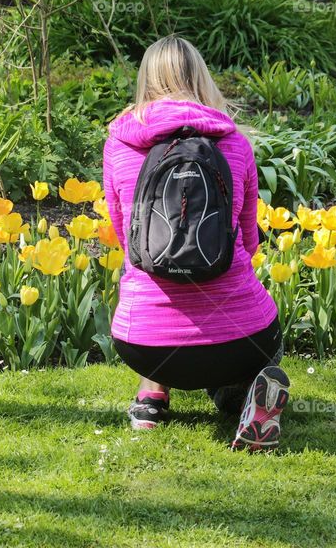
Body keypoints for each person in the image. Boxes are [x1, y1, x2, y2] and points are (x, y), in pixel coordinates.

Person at [102, 36, 288, 451]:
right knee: (248, 308)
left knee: (143, 273)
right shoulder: (234, 142)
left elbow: (125, 236)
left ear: (146, 79)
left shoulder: (120, 143)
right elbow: (250, 241)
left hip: (144, 344)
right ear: (201, 77)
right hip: (242, 341)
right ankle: (239, 397)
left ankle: (151, 399)